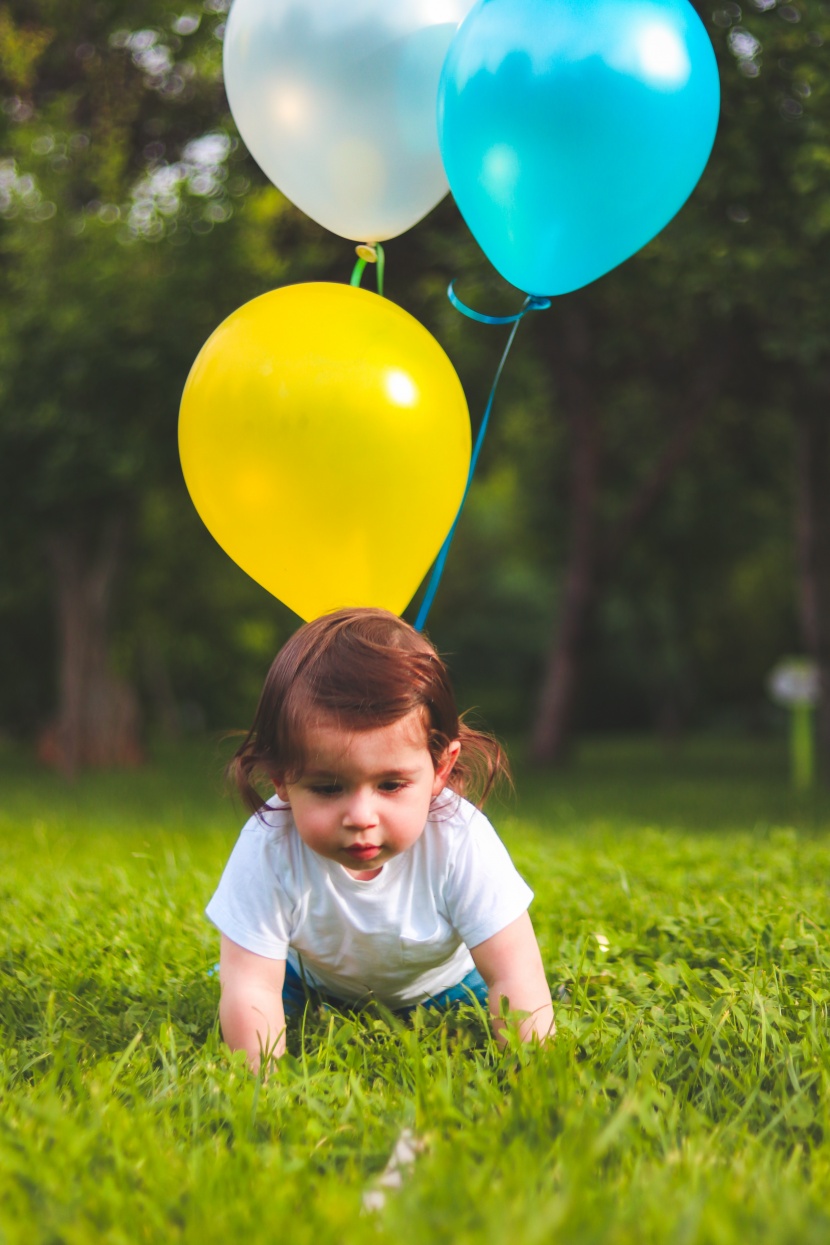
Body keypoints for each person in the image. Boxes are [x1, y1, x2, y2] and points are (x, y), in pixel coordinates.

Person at [207, 607, 554, 1071]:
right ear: (282, 779)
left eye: (390, 785)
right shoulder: (270, 844)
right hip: (311, 983)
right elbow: (253, 985)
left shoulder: (458, 838)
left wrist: (536, 1076)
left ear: (440, 769)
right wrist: (258, 1089)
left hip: (445, 987)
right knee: (241, 984)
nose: (361, 816)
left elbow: (514, 971)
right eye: (328, 788)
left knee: (498, 989)